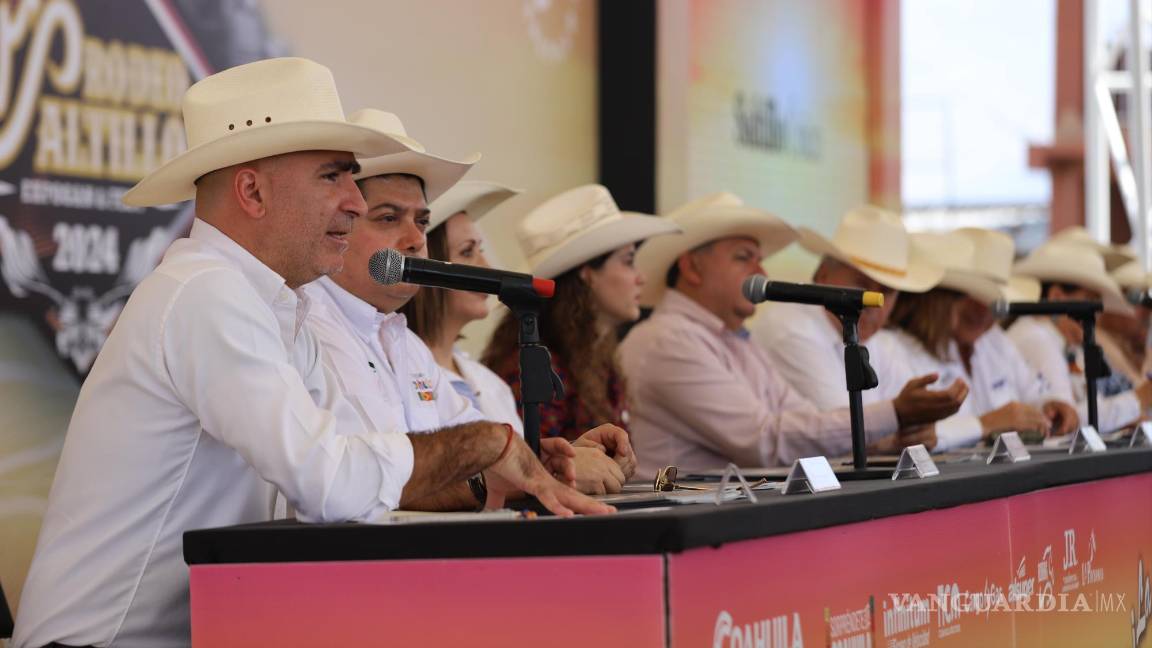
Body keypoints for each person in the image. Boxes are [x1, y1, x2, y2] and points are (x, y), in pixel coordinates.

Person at [13, 58, 609, 648]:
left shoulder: (274, 305)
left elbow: (351, 480)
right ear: (252, 190)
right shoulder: (206, 294)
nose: (353, 199)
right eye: (333, 177)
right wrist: (486, 443)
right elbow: (328, 482)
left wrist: (495, 477)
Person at [307, 116, 636, 499]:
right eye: (389, 218)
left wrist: (550, 464)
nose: (416, 239)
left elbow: (483, 455)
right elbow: (362, 486)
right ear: (339, 226)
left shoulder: (403, 344)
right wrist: (542, 476)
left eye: (423, 222)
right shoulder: (308, 330)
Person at [619, 193, 964, 478]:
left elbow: (797, 418)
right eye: (744, 258)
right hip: (681, 531)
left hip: (721, 520)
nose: (761, 272)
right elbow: (764, 440)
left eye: (760, 259)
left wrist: (888, 441)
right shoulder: (667, 340)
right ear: (692, 267)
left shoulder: (733, 339)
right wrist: (895, 415)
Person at [481, 184, 681, 442]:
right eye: (628, 261)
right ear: (587, 274)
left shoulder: (597, 357)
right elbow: (531, 467)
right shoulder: (535, 367)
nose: (640, 278)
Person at [881, 229, 1078, 448]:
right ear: (934, 298)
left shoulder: (994, 342)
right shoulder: (891, 349)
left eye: (995, 302)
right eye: (966, 295)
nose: (984, 309)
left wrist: (1049, 405)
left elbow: (1034, 391)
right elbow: (905, 438)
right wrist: (986, 424)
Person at [749, 205, 955, 412]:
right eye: (862, 285)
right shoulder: (791, 329)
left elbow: (915, 421)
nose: (872, 302)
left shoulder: (877, 343)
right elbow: (843, 427)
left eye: (886, 291)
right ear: (822, 276)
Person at [1007, 242, 1152, 433]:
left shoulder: (1056, 340)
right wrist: (1138, 399)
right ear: (1057, 297)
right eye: (1089, 303)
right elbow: (1066, 420)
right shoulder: (1037, 339)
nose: (1096, 316)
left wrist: (1126, 413)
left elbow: (1081, 411)